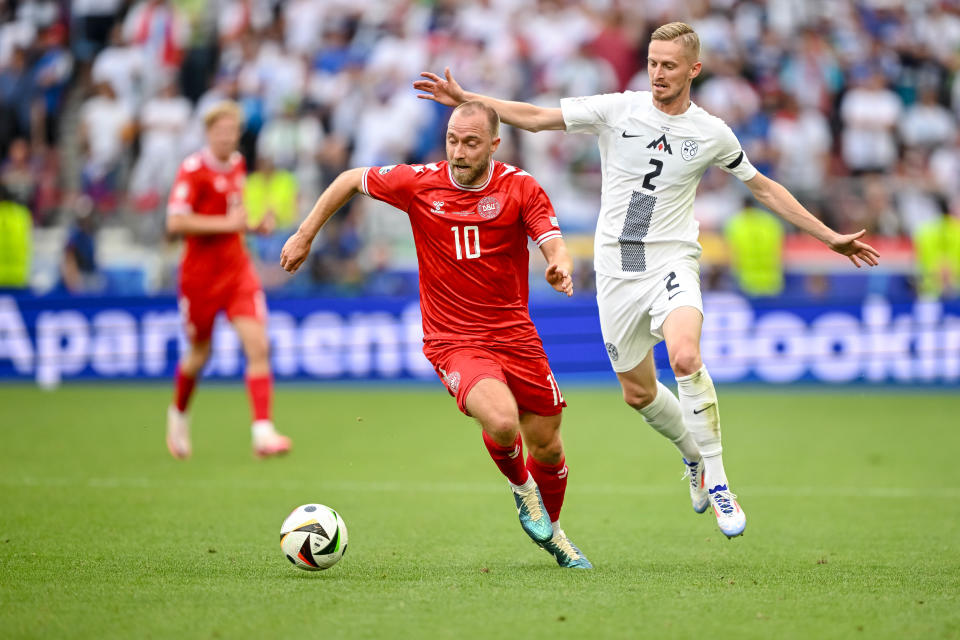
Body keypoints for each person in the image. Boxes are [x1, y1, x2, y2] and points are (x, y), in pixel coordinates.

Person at [414, 22, 880, 538]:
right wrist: (468, 98)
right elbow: (538, 117)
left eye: (669, 66)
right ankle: (693, 459)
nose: (658, 73)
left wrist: (828, 235)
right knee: (638, 394)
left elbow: (764, 188)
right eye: (653, 63)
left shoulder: (711, 133)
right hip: (617, 272)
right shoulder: (620, 110)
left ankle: (721, 482)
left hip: (672, 261)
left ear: (694, 71)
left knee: (685, 356)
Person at [280, 101, 591, 569]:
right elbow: (348, 179)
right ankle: (523, 490)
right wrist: (305, 235)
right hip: (454, 340)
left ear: (493, 145)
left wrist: (559, 264)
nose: (459, 151)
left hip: (515, 335)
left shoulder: (519, 187)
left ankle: (554, 531)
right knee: (503, 422)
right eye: (452, 140)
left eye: (470, 142)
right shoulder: (419, 182)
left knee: (547, 443)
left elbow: (551, 238)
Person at [165, 100, 291, 460]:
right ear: (208, 133)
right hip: (200, 277)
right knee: (200, 353)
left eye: (232, 131)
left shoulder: (237, 164)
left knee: (258, 346)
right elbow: (175, 223)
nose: (226, 137)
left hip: (237, 270)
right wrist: (230, 225)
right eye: (219, 131)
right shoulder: (192, 169)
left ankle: (263, 432)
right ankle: (179, 413)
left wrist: (253, 226)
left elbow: (233, 219)